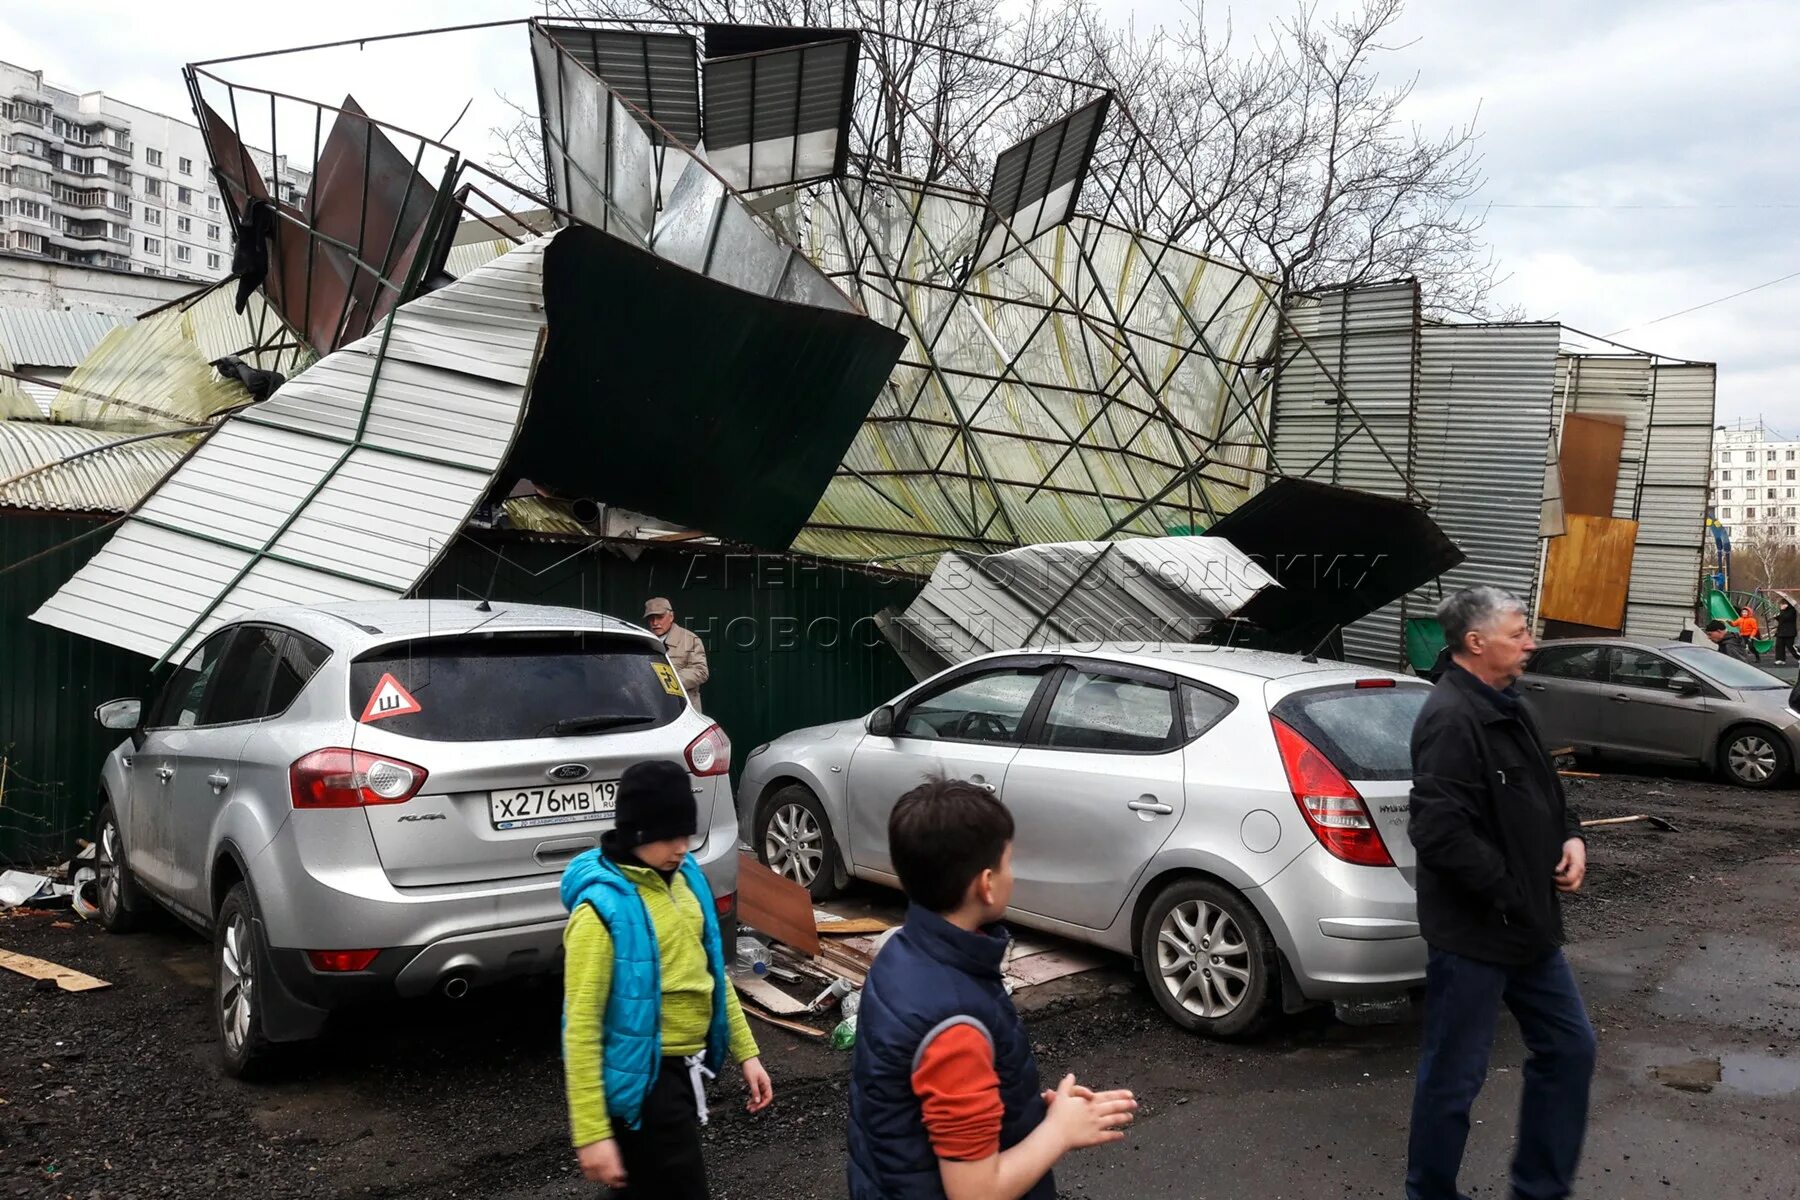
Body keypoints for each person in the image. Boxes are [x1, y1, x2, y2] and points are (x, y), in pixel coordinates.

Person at [847, 777, 1136, 1200]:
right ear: (986, 884)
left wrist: (1032, 1113)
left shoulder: (902, 952)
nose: (1011, 875)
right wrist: (1057, 1133)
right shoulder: (954, 1024)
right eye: (1008, 863)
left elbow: (929, 1103)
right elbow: (975, 1192)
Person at [1405, 586, 1595, 1200]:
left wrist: (1571, 837)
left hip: (1528, 929)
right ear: (1475, 642)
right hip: (1476, 933)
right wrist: (1510, 891)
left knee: (1569, 1050)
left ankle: (1540, 1188)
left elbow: (1547, 791)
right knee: (1455, 1078)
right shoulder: (1450, 718)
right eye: (1518, 632)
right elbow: (1437, 832)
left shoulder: (1511, 704)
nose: (1531, 641)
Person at [561, 760, 773, 1198]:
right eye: (669, 835)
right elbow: (579, 1028)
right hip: (644, 1083)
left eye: (687, 833)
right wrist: (591, 1133)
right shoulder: (600, 913)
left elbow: (712, 974)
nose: (682, 846)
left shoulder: (686, 877)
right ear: (637, 832)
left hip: (682, 1070)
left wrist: (746, 1053)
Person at [644, 597, 710, 711]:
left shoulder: (689, 639)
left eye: (660, 617)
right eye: (651, 618)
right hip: (652, 709)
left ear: (671, 617)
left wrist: (667, 682)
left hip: (683, 709)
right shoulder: (643, 640)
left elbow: (701, 671)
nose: (655, 623)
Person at [1776, 598, 1797, 665]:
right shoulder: (1782, 611)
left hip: (1789, 632)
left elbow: (1787, 618)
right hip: (1781, 632)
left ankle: (1798, 657)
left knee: (1790, 646)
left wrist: (1780, 613)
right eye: (1781, 604)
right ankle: (1780, 659)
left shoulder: (1792, 610)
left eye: (1783, 604)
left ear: (1787, 604)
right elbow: (1781, 620)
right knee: (1779, 645)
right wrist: (1776, 617)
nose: (1781, 606)